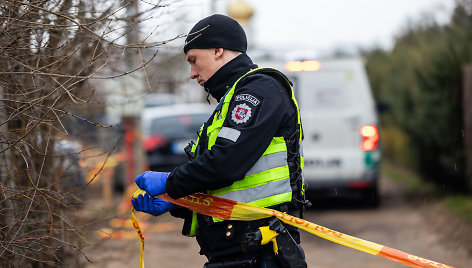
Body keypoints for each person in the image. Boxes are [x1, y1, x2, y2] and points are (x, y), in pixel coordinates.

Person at [131, 14, 307, 268]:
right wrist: (175, 202)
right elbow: (231, 189)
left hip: (261, 253)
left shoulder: (258, 90)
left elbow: (226, 164)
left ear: (218, 51)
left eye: (193, 61)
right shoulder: (232, 98)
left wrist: (170, 182)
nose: (192, 73)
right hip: (238, 253)